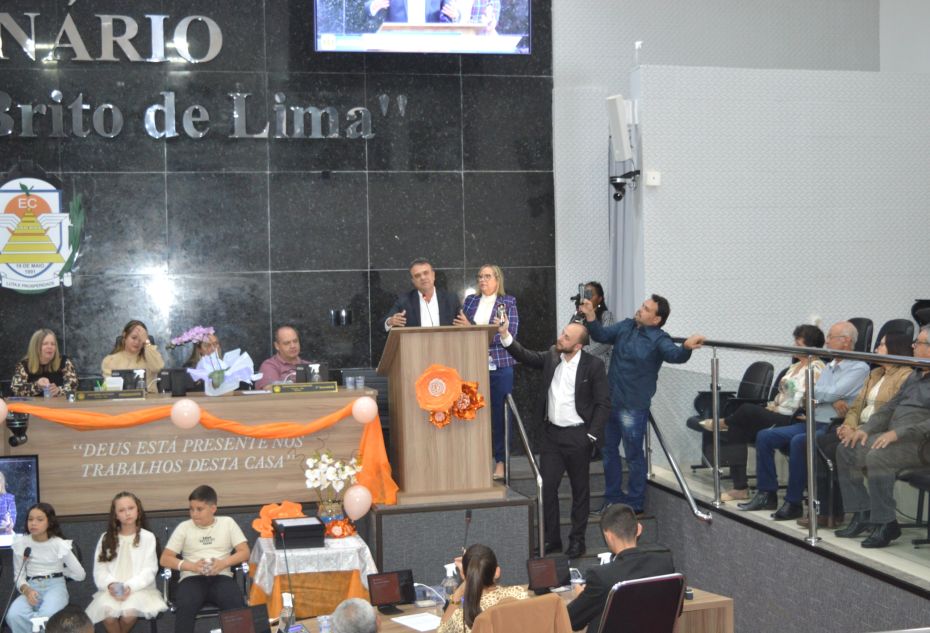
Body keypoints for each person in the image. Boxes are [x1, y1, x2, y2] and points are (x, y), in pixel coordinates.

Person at [580, 295, 704, 514]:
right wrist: (590, 315)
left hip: (633, 408)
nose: (640, 309)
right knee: (608, 453)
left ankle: (635, 503)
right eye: (642, 306)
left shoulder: (659, 338)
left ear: (656, 319)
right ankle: (612, 498)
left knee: (633, 455)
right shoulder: (626, 326)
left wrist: (686, 347)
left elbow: (675, 355)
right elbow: (601, 335)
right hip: (610, 402)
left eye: (646, 309)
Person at [499, 316, 610, 558]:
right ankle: (552, 540)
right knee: (547, 488)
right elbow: (526, 356)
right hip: (551, 436)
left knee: (580, 491)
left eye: (566, 337)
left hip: (579, 436)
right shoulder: (552, 356)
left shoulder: (593, 366)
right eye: (562, 333)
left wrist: (591, 436)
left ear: (578, 346)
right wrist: (506, 335)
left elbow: (603, 404)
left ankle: (577, 541)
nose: (560, 338)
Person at [741, 321, 870, 517]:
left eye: (831, 337)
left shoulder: (859, 368)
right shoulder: (830, 365)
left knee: (799, 442)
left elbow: (825, 392)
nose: (827, 341)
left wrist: (824, 395)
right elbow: (812, 393)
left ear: (846, 341)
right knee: (765, 436)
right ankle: (766, 494)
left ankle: (793, 503)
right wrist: (828, 397)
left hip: (833, 425)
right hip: (812, 420)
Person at [701, 324, 826, 502]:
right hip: (778, 412)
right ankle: (740, 487)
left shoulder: (816, 369)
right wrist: (772, 405)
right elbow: (782, 394)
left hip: (792, 418)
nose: (794, 346)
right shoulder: (794, 367)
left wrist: (779, 406)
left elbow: (804, 399)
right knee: (737, 428)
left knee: (746, 409)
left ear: (810, 347)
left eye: (798, 344)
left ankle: (724, 422)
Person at [801, 332, 913, 527]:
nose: (876, 348)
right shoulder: (875, 374)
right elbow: (855, 407)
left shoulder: (905, 376)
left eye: (882, 345)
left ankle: (857, 510)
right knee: (819, 442)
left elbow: (891, 414)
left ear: (895, 348)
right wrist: (848, 426)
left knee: (836, 449)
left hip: (880, 432)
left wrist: (860, 429)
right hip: (860, 428)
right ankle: (828, 511)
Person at [834, 325, 930, 548]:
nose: (913, 346)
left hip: (921, 443)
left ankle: (885, 523)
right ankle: (862, 513)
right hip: (895, 438)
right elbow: (889, 408)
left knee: (878, 455)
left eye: (918, 343)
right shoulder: (914, 375)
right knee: (847, 448)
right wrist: (865, 430)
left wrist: (897, 433)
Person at [566, 504, 674, 632]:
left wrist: (582, 596)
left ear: (608, 536)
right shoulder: (664, 565)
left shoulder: (601, 577)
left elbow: (571, 620)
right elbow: (676, 609)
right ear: (639, 529)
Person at [455, 264, 519, 480]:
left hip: (501, 367)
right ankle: (475, 460)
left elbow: (508, 335)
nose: (482, 280)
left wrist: (472, 328)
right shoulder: (470, 301)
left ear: (497, 280)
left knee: (501, 416)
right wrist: (473, 330)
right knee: (471, 413)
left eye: (487, 276)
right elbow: (460, 332)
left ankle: (501, 461)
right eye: (480, 276)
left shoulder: (508, 302)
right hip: (472, 364)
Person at [159, 485, 250, 633]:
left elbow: (244, 552)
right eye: (191, 509)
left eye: (199, 509)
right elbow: (165, 559)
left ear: (213, 508)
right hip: (191, 578)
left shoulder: (228, 523)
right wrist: (192, 566)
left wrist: (223, 563)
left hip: (222, 577)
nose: (194, 514)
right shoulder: (184, 527)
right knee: (185, 605)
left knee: (235, 604)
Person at [86, 492, 167, 633]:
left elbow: (150, 570)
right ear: (115, 515)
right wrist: (112, 585)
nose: (127, 513)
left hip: (139, 589)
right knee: (108, 615)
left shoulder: (148, 537)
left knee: (129, 615)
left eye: (131, 508)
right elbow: (100, 570)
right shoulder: (106, 538)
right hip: (112, 590)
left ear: (138, 510)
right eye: (121, 510)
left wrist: (129, 586)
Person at [6, 502, 86, 633]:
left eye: (39, 519)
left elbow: (80, 575)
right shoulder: (21, 544)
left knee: (45, 617)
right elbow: (18, 576)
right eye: (30, 519)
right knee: (14, 615)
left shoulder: (59, 544)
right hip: (31, 586)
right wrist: (27, 591)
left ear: (50, 522)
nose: (33, 523)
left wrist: (60, 572)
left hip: (55, 587)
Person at [437, 544, 527, 633]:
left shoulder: (462, 619)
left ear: (463, 575)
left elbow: (441, 630)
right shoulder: (519, 595)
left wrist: (458, 594)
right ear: (497, 572)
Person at [384, 258, 461, 330]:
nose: (423, 278)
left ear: (433, 275)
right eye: (417, 276)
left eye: (426, 273)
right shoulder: (404, 301)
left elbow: (465, 322)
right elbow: (383, 324)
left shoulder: (451, 299)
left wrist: (466, 325)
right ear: (413, 281)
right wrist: (390, 322)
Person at [10, 329, 78, 397]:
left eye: (53, 344)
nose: (50, 347)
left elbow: (73, 385)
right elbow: (16, 390)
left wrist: (59, 390)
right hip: (34, 403)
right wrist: (37, 386)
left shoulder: (64, 361)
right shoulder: (24, 365)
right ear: (36, 347)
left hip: (58, 403)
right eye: (45, 344)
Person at [101, 320, 165, 393]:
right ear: (125, 335)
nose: (137, 342)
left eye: (141, 339)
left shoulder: (150, 357)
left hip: (149, 399)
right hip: (120, 399)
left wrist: (147, 342)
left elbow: (158, 367)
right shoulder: (110, 361)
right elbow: (108, 390)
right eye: (134, 338)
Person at [581, 282, 614, 370]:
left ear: (600, 299)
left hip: (599, 362)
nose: (587, 298)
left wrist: (583, 353)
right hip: (580, 363)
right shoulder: (579, 316)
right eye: (585, 294)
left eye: (590, 294)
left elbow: (606, 343)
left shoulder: (606, 315)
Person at [365, 0, 446, 23]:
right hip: (397, 43)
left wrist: (453, 16)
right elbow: (367, 7)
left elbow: (449, 11)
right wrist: (374, 5)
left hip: (431, 42)